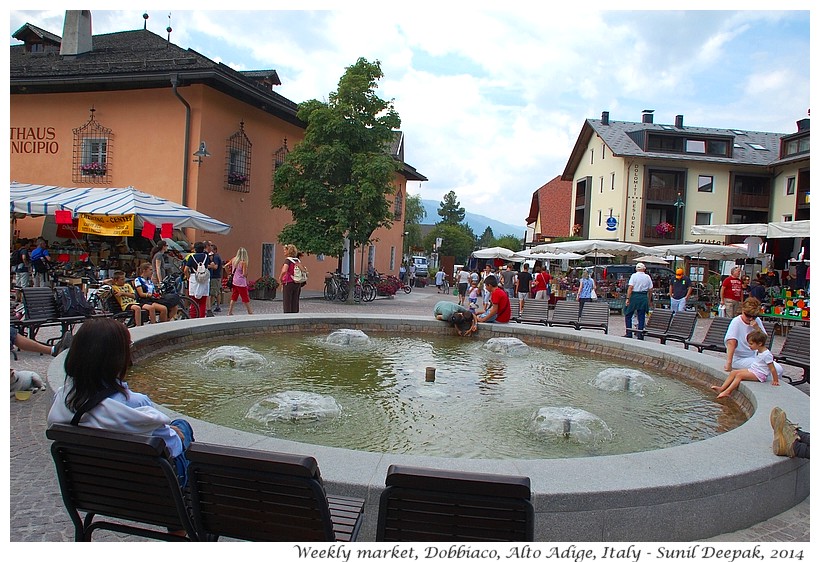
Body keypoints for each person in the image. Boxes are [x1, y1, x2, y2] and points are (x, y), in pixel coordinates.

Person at [46, 318, 195, 488]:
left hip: (95, 489)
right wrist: (174, 432)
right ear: (118, 358)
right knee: (182, 426)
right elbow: (172, 447)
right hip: (153, 488)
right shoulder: (135, 405)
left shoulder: (63, 398)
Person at [711, 329, 781, 399]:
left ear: (759, 344)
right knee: (733, 372)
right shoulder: (758, 351)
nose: (749, 346)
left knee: (739, 375)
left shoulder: (766, 354)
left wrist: (775, 380)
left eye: (751, 344)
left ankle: (728, 392)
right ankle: (722, 388)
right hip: (753, 370)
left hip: (760, 375)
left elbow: (772, 368)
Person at [724, 297, 766, 371]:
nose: (751, 319)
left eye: (754, 316)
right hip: (740, 358)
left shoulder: (757, 321)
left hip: (755, 355)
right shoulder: (736, 321)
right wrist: (729, 363)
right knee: (766, 367)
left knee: (778, 369)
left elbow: (764, 338)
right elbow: (731, 342)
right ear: (743, 311)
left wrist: (757, 328)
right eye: (748, 316)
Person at [623, 263, 654, 339]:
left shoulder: (634, 276)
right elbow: (650, 289)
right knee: (641, 316)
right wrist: (649, 300)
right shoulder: (647, 277)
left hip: (634, 296)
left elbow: (630, 287)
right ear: (644, 269)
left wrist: (627, 298)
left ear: (636, 269)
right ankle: (640, 334)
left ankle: (629, 332)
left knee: (628, 314)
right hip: (643, 297)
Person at [183, 241, 212, 319]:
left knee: (193, 301)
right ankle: (202, 318)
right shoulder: (206, 257)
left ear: (195, 249)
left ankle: (193, 317)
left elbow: (186, 269)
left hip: (194, 278)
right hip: (204, 279)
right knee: (203, 302)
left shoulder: (191, 257)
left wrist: (188, 277)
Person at [227, 247, 253, 316]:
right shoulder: (243, 262)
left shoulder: (234, 260)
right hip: (241, 282)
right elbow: (244, 274)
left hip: (234, 281)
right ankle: (250, 311)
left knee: (234, 296)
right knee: (245, 297)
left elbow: (226, 266)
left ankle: (230, 311)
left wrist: (229, 273)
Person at [279, 244, 303, 313]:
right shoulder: (297, 260)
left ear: (288, 251)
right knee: (295, 301)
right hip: (297, 282)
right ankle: (295, 316)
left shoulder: (288, 260)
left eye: (285, 250)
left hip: (288, 282)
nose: (284, 252)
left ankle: (287, 317)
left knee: (287, 301)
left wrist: (280, 278)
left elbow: (284, 270)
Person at [207, 242, 223, 313]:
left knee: (213, 293)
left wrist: (208, 266)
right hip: (217, 277)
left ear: (215, 250)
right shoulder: (217, 256)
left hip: (214, 277)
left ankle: (209, 307)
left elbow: (215, 267)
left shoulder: (215, 257)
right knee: (217, 292)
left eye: (212, 250)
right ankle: (218, 306)